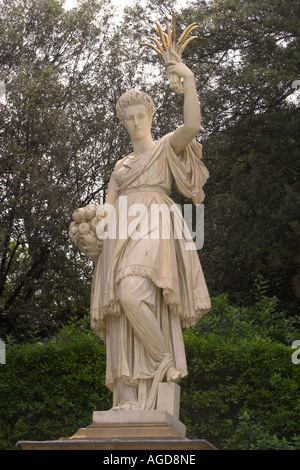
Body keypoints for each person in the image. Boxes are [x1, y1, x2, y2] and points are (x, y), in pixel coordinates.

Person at [82, 58, 210, 410]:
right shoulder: (119, 166)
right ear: (123, 122)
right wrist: (92, 224)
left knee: (131, 292)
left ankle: (160, 358)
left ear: (150, 116)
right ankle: (130, 396)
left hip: (156, 223)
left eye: (142, 115)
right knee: (122, 312)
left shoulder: (165, 147)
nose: (136, 123)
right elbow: (107, 209)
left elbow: (192, 125)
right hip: (120, 235)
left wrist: (189, 80)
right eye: (129, 118)